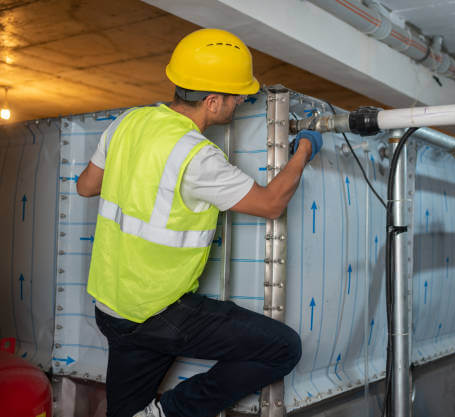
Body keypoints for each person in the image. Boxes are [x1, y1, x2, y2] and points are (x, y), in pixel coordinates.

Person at [76, 28, 322, 417]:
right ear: (211, 101)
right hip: (159, 312)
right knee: (283, 348)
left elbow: (86, 186)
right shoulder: (197, 156)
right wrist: (305, 148)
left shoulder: (128, 122)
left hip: (111, 309)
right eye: (236, 95)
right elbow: (272, 203)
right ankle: (171, 411)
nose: (242, 100)